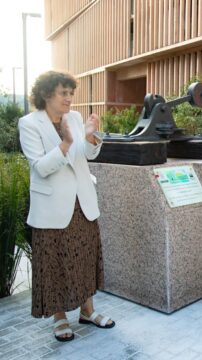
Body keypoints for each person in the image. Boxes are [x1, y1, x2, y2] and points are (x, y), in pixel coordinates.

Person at [18, 71, 115, 342]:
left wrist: (92, 138)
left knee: (84, 258)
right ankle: (59, 317)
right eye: (64, 93)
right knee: (55, 263)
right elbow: (40, 168)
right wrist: (66, 143)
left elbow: (86, 155)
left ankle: (87, 311)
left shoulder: (73, 118)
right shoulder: (29, 123)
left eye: (71, 93)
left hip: (81, 202)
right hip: (51, 207)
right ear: (47, 94)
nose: (70, 98)